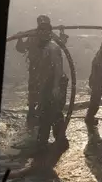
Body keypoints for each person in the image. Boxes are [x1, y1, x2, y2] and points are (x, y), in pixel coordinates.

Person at [33, 16, 69, 152]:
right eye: (40, 30)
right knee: (52, 112)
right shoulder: (43, 46)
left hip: (56, 82)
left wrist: (55, 86)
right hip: (50, 83)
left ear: (49, 32)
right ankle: (60, 140)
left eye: (45, 30)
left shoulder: (52, 47)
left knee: (48, 113)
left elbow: (58, 68)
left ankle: (43, 144)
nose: (42, 32)